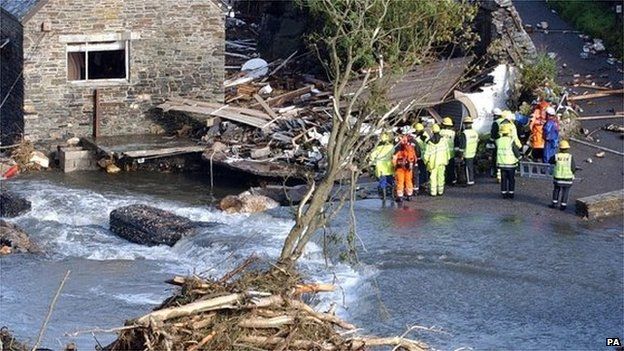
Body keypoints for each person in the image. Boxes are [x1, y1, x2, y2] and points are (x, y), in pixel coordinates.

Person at [496, 124, 521, 199]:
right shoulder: (511, 141)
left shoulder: (498, 141)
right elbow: (515, 151)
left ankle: (503, 193)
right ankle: (511, 193)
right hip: (511, 164)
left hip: (501, 164)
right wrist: (520, 158)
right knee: (511, 179)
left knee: (503, 179)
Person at [549, 140, 575, 211]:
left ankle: (554, 203)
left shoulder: (556, 156)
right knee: (565, 192)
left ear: (560, 148)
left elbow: (550, 161)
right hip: (568, 179)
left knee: (556, 190)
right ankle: (563, 205)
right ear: (567, 148)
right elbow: (573, 168)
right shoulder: (570, 157)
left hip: (558, 178)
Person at [368, 132, 395, 202]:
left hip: (380, 166)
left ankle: (384, 195)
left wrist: (372, 164)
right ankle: (392, 194)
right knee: (391, 180)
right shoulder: (391, 147)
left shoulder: (377, 148)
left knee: (382, 181)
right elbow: (394, 155)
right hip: (389, 166)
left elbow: (372, 156)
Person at [424, 124, 448, 196]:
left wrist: (426, 162)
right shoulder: (444, 140)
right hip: (442, 161)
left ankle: (433, 192)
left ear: (432, 131)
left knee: (433, 177)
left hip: (433, 163)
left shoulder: (429, 142)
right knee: (441, 176)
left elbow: (426, 154)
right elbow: (447, 152)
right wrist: (447, 160)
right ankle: (440, 191)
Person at [392, 135, 416, 202]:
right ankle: (409, 195)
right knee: (409, 181)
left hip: (400, 168)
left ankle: (400, 196)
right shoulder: (410, 148)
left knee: (400, 182)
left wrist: (394, 167)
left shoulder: (397, 150)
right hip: (409, 168)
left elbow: (394, 159)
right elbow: (415, 158)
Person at [457, 116, 479, 186]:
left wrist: (460, 154)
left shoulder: (464, 133)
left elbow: (462, 145)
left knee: (467, 167)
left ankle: (470, 180)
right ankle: (471, 179)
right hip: (473, 152)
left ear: (465, 124)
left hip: (467, 153)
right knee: (471, 166)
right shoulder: (475, 132)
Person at [413, 122, 430, 192]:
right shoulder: (424, 135)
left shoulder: (423, 137)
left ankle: (421, 183)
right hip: (421, 156)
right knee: (422, 170)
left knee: (422, 170)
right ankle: (422, 183)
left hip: (422, 156)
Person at [439, 117, 456, 185]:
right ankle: (453, 180)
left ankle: (445, 180)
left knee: (443, 168)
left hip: (443, 153)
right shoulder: (453, 133)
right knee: (451, 167)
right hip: (451, 152)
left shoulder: (440, 132)